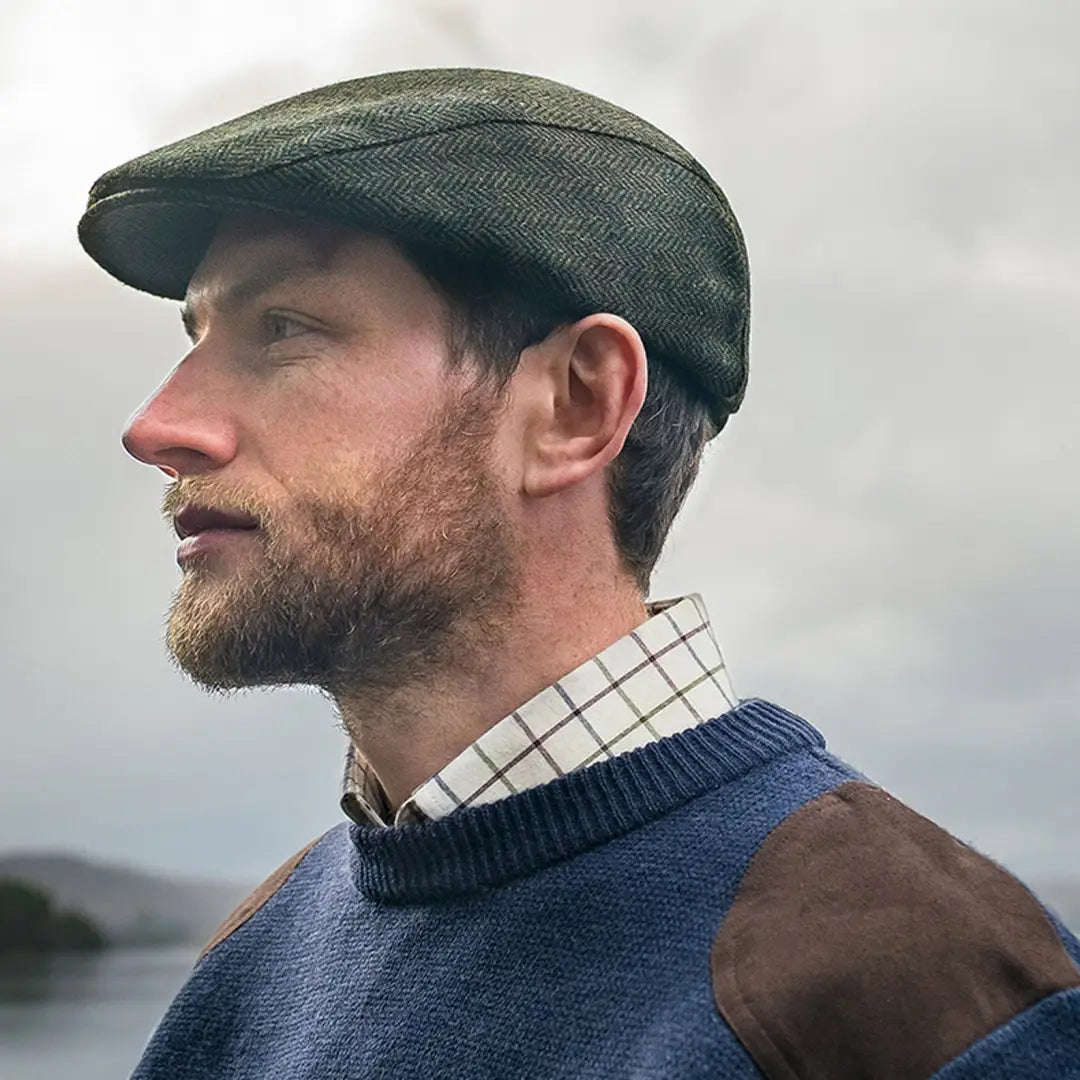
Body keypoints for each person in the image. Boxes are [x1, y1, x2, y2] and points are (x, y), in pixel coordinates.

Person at [79, 68, 1079, 1079]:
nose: (158, 426)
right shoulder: (256, 970)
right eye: (196, 338)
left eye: (283, 328)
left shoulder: (920, 994)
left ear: (576, 405)